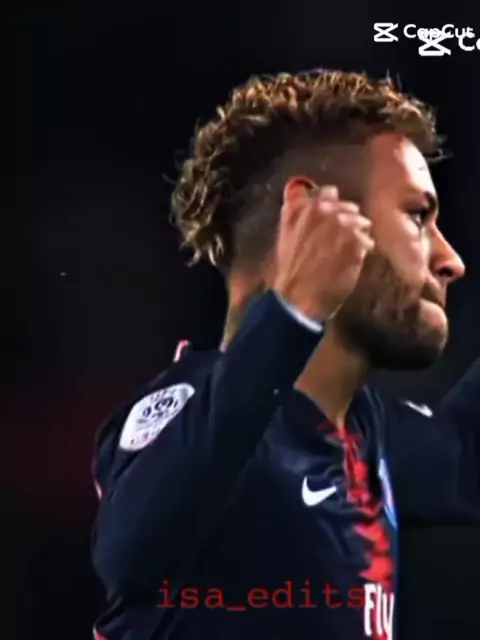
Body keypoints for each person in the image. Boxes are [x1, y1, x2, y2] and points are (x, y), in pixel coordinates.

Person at [91, 69, 479, 640]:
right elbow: (128, 548)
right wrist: (293, 313)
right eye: (418, 216)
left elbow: (467, 456)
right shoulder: (191, 410)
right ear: (308, 214)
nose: (451, 260)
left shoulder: (365, 434)